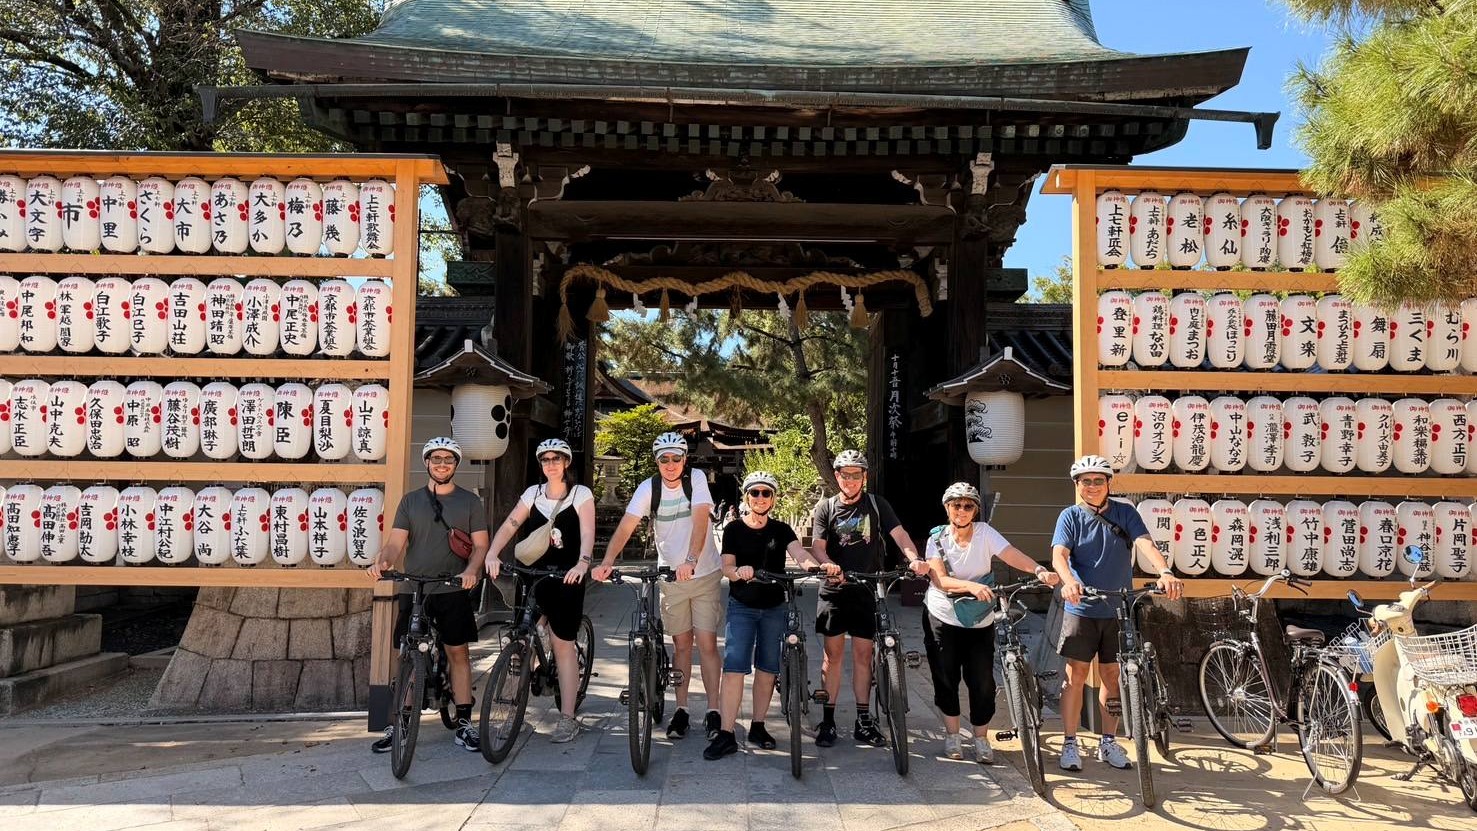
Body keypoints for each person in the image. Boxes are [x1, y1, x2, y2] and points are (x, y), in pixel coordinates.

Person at [1051, 454, 1183, 772]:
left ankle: (1108, 742)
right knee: (1076, 676)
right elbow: (1059, 555)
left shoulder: (1125, 512)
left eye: (1099, 480)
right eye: (1086, 481)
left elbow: (1145, 544)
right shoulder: (1070, 516)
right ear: (1077, 485)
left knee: (1112, 675)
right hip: (1082, 607)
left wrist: (1164, 570)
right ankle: (1070, 744)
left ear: (1109, 483)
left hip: (1118, 608)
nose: (1093, 486)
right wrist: (1068, 582)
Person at [593, 432, 724, 741]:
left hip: (702, 573)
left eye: (676, 458)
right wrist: (607, 560)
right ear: (657, 462)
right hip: (671, 577)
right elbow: (627, 524)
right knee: (680, 644)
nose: (670, 465)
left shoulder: (696, 480)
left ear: (685, 460)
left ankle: (714, 710)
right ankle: (681, 709)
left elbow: (701, 519)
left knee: (705, 642)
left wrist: (691, 559)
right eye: (663, 459)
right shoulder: (648, 488)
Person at [704, 471, 841, 760]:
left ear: (773, 499)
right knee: (734, 668)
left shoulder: (781, 530)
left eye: (766, 493)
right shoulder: (733, 529)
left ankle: (758, 725)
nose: (760, 498)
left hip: (773, 607)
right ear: (746, 497)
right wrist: (738, 572)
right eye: (755, 493)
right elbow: (726, 565)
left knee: (767, 668)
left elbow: (800, 555)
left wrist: (816, 568)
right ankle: (727, 733)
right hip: (742, 606)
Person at [920, 482, 1060, 763]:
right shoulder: (936, 539)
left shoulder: (985, 533)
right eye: (956, 505)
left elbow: (1010, 553)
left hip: (979, 619)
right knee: (945, 676)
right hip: (942, 615)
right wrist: (970, 587)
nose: (962, 510)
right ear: (947, 508)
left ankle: (981, 738)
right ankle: (952, 736)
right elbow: (940, 579)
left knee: (982, 680)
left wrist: (1038, 568)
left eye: (968, 505)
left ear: (975, 510)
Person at [368, 437, 489, 754]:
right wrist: (384, 560)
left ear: (456, 465)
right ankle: (401, 724)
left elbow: (480, 546)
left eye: (448, 459)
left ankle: (464, 723)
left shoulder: (469, 502)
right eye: (436, 458)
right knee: (406, 654)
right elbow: (396, 542)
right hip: (414, 586)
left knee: (458, 653)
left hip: (452, 587)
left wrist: (472, 570)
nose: (442, 464)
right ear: (426, 462)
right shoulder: (410, 501)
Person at [808, 449, 921, 748]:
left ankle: (863, 719)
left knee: (862, 656)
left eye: (856, 475)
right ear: (837, 477)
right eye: (845, 475)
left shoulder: (876, 504)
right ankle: (828, 720)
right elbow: (817, 547)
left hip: (867, 590)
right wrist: (828, 565)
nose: (850, 480)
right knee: (832, 657)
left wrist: (914, 559)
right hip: (834, 590)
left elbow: (900, 535)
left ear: (864, 477)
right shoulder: (826, 508)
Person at [485, 438, 595, 743]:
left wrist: (583, 563)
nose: (551, 464)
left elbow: (587, 532)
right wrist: (493, 553)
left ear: (566, 462)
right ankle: (511, 710)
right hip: (533, 575)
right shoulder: (532, 493)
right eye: (545, 460)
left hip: (567, 577)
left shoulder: (580, 494)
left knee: (563, 646)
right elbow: (510, 524)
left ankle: (567, 717)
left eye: (556, 459)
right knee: (520, 642)